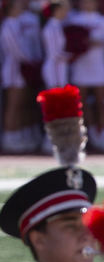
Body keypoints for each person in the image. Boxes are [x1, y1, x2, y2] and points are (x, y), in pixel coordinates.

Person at [68, 0, 104, 153]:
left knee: (102, 102)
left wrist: (96, 42)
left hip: (99, 66)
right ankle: (90, 134)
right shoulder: (73, 20)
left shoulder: (103, 20)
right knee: (81, 103)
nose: (88, 4)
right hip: (81, 67)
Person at [1, 0, 41, 154]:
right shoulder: (9, 25)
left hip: (24, 69)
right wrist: (30, 62)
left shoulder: (17, 24)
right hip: (14, 69)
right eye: (17, 5)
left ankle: (20, 134)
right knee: (13, 105)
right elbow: (16, 50)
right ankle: (10, 137)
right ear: (10, 9)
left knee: (23, 104)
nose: (20, 7)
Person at [40, 0, 71, 91]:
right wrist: (72, 56)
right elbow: (54, 53)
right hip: (54, 67)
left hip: (60, 65)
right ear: (57, 10)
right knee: (55, 96)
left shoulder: (58, 26)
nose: (66, 13)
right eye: (64, 10)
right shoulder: (51, 27)